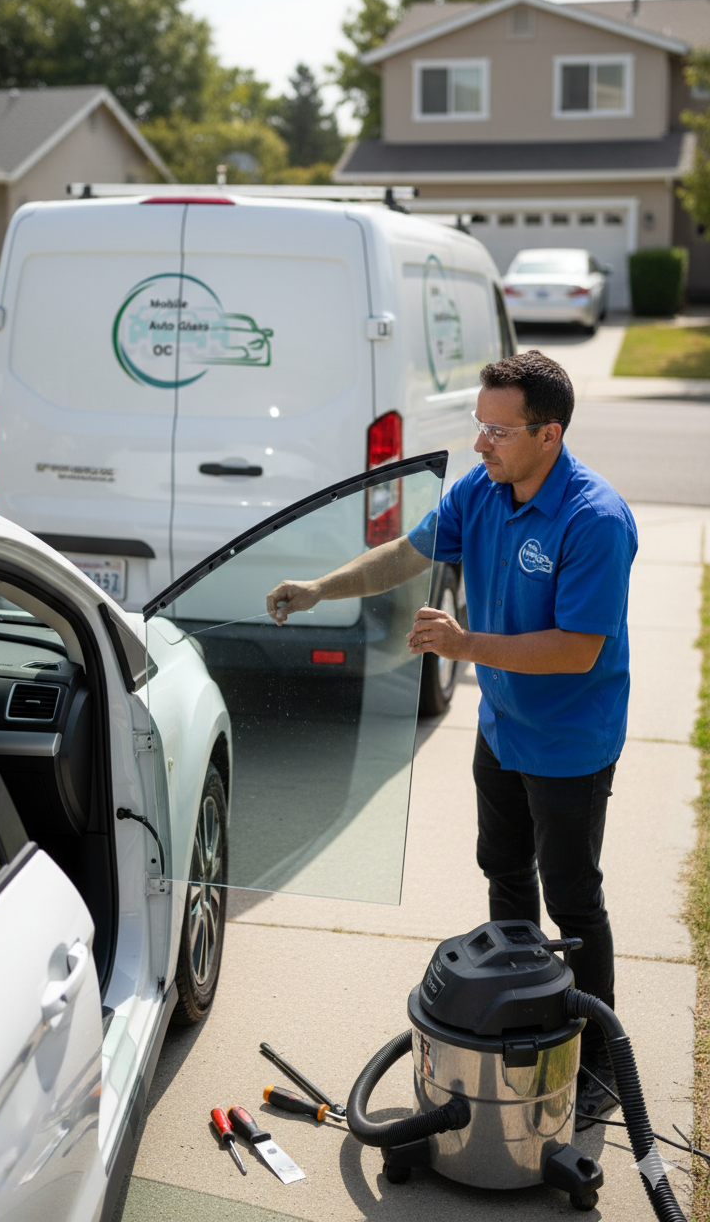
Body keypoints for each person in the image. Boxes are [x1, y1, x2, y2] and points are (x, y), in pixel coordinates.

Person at [267, 350, 637, 1128]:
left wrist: (462, 645)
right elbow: (407, 553)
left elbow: (577, 649)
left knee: (573, 897)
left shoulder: (593, 518)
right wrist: (319, 590)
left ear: (548, 433)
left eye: (497, 431)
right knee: (504, 871)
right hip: (502, 726)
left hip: (570, 739)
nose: (479, 445)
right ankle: (526, 1006)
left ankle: (597, 1060)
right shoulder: (483, 491)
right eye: (479, 425)